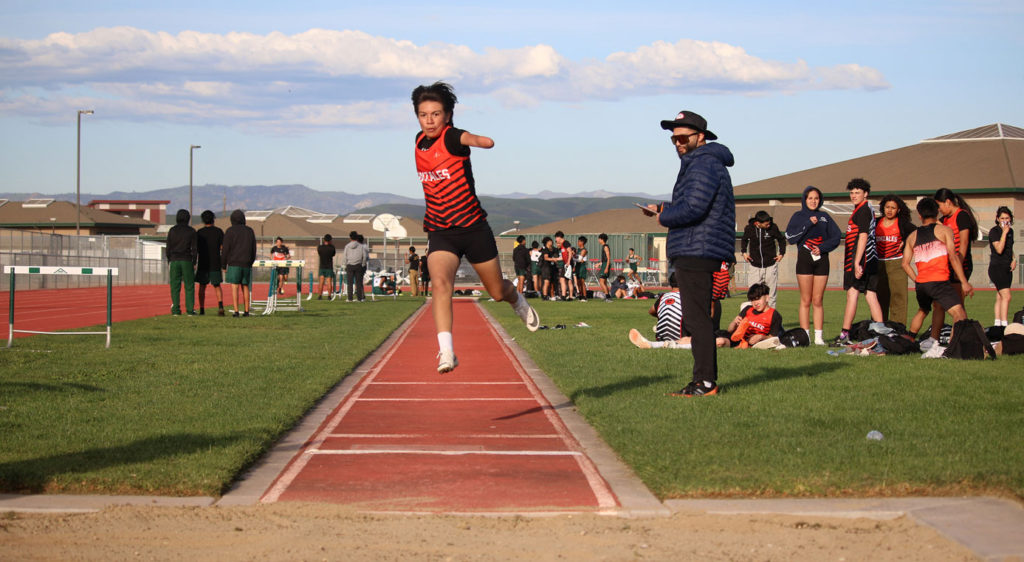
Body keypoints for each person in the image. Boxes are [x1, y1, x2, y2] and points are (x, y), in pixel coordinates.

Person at [411, 81, 538, 373]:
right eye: (423, 114)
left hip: (473, 229)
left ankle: (516, 298)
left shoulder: (454, 137)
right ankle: (446, 352)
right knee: (441, 285)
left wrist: (479, 141)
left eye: (436, 114)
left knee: (496, 292)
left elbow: (484, 141)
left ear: (448, 115)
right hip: (441, 231)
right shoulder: (418, 141)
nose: (429, 120)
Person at [641, 110, 735, 397]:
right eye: (674, 140)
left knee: (696, 319)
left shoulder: (703, 163)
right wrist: (664, 209)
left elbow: (695, 208)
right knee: (698, 318)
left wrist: (664, 217)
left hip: (698, 247)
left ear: (700, 137)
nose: (678, 143)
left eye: (683, 137)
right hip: (700, 245)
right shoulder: (702, 162)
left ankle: (705, 382)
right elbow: (694, 203)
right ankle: (703, 380)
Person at [901, 197, 974, 354]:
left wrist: (917, 280)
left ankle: (914, 340)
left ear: (919, 215)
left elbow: (904, 264)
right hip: (939, 281)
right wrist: (964, 282)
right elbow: (953, 257)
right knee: (959, 313)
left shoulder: (912, 236)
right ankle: (953, 349)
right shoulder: (944, 230)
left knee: (925, 310)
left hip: (922, 284)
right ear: (937, 212)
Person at [785, 186, 842, 346]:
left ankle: (818, 337)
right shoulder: (798, 216)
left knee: (818, 300)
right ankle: (806, 336)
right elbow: (790, 237)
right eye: (810, 198)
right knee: (806, 299)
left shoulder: (825, 217)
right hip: (804, 260)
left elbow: (837, 237)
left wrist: (822, 248)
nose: (813, 201)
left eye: (816, 198)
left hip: (822, 260)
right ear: (804, 199)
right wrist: (807, 224)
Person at [832, 178, 884, 346]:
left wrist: (856, 263)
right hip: (869, 260)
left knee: (852, 294)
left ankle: (845, 334)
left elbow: (863, 236)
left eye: (857, 192)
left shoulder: (863, 211)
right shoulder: (864, 209)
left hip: (862, 261)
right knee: (870, 295)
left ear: (866, 194)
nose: (854, 195)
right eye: (852, 192)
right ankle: (880, 333)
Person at [628, 275, 731, 349]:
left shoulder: (664, 296)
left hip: (661, 337)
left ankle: (658, 343)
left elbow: (651, 311)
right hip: (682, 336)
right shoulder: (688, 297)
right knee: (719, 338)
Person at [929, 188, 978, 343]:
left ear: (948, 202)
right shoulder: (944, 220)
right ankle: (933, 340)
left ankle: (959, 339)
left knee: (957, 305)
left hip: (960, 265)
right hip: (946, 267)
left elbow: (963, 244)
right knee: (939, 304)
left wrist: (959, 269)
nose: (938, 210)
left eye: (939, 206)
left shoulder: (962, 215)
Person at [874, 194, 915, 325]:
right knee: (880, 298)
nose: (889, 210)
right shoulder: (876, 222)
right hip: (879, 263)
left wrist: (906, 240)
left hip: (897, 263)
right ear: (883, 208)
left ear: (898, 210)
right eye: (887, 207)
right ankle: (879, 326)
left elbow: (917, 233)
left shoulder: (903, 224)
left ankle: (898, 328)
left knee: (899, 297)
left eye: (893, 208)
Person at [740, 210, 786, 308]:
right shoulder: (749, 228)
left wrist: (781, 253)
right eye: (766, 224)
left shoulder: (773, 227)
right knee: (753, 294)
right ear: (757, 223)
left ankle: (771, 320)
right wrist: (744, 252)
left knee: (771, 295)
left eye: (769, 223)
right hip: (755, 266)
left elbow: (781, 240)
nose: (768, 225)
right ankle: (754, 320)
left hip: (770, 265)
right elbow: (744, 240)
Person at [726, 283, 784, 348]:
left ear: (767, 298)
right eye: (753, 300)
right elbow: (729, 330)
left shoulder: (774, 315)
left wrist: (762, 337)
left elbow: (773, 337)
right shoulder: (748, 309)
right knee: (720, 342)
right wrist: (734, 322)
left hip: (757, 343)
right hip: (738, 340)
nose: (755, 303)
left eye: (758, 299)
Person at [221, 209, 256, 317]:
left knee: (234, 286)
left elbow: (225, 249)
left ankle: (236, 311)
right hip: (246, 263)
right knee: (245, 286)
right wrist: (250, 262)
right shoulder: (250, 231)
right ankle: (246, 311)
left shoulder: (230, 231)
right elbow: (253, 248)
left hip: (234, 263)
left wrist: (223, 264)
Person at [166, 209, 197, 316]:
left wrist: (169, 259)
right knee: (189, 286)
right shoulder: (191, 231)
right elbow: (194, 248)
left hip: (174, 260)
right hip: (187, 260)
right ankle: (190, 310)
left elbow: (168, 247)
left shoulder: (172, 230)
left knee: (175, 286)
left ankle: (175, 310)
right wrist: (194, 261)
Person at [988, 207, 1016, 326]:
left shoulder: (1011, 231)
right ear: (997, 219)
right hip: (997, 267)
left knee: (1000, 296)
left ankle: (997, 323)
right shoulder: (994, 231)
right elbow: (999, 249)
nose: (1005, 220)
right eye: (1002, 218)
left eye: (1007, 218)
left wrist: (1014, 259)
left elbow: (1009, 248)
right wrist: (1004, 232)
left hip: (1007, 268)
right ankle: (1004, 325)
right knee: (1007, 296)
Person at [195, 210, 225, 316]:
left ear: (203, 220)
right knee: (217, 285)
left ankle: (202, 309)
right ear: (213, 219)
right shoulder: (219, 231)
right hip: (215, 262)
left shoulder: (199, 233)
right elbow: (222, 247)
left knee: (202, 286)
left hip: (203, 262)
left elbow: (196, 248)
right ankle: (220, 306)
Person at [342, 230, 365, 302]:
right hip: (358, 265)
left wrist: (344, 265)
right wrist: (363, 264)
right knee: (358, 283)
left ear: (350, 238)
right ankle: (359, 298)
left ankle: (350, 298)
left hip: (349, 265)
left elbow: (344, 257)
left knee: (350, 283)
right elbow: (364, 256)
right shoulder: (361, 246)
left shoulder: (347, 246)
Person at [316, 234, 336, 300]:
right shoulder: (332, 248)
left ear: (324, 240)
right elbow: (333, 254)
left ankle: (319, 296)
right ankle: (329, 296)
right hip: (329, 267)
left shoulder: (320, 247)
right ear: (330, 240)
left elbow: (319, 253)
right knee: (329, 282)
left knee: (321, 282)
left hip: (322, 266)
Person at [597, 233, 612, 300]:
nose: (598, 240)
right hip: (604, 264)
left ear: (602, 239)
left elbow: (608, 258)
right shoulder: (603, 246)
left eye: (599, 239)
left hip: (606, 265)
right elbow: (604, 259)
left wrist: (606, 267)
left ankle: (607, 297)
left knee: (601, 281)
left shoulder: (605, 247)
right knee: (604, 282)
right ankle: (608, 296)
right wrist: (599, 264)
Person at [575, 236, 589, 301]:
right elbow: (577, 258)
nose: (578, 242)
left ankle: (584, 296)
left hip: (582, 267)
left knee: (582, 282)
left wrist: (573, 257)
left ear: (582, 242)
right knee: (578, 283)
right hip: (577, 266)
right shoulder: (577, 250)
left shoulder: (584, 250)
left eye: (579, 241)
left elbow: (580, 258)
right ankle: (580, 296)